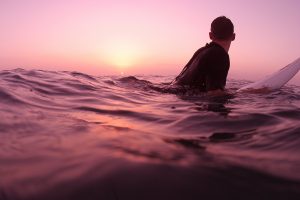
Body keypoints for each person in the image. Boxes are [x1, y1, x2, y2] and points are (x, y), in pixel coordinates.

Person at [173, 16, 235, 95]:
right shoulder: (220, 55)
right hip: (181, 98)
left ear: (210, 35)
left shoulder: (202, 50)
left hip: (173, 94)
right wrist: (244, 94)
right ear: (233, 37)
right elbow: (214, 94)